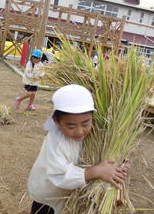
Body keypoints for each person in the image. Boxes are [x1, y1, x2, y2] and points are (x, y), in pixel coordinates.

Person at [28, 84, 130, 214]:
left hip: (70, 194)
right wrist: (94, 171)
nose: (80, 131)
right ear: (56, 121)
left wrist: (118, 166)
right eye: (71, 126)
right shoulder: (56, 141)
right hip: (48, 196)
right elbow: (59, 175)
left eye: (85, 123)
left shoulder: (96, 134)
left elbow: (104, 158)